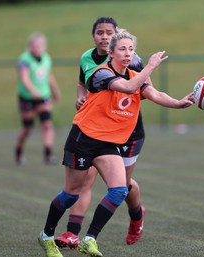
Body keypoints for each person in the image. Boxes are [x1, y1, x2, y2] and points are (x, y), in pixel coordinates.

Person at [38, 29, 194, 257]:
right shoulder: (101, 74)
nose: (128, 53)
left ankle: (89, 239)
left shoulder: (135, 76)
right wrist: (149, 67)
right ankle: (47, 236)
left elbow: (155, 93)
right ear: (110, 53)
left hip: (108, 142)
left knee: (120, 189)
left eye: (131, 49)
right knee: (72, 193)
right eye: (122, 49)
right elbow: (129, 88)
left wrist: (179, 103)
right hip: (84, 138)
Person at [54, 17, 147, 249]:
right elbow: (82, 83)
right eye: (99, 33)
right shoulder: (87, 58)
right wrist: (80, 96)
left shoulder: (132, 59)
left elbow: (143, 88)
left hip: (128, 130)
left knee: (123, 186)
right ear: (93, 35)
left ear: (117, 35)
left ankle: (136, 215)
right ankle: (72, 233)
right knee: (85, 179)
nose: (104, 37)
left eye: (109, 33)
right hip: (98, 129)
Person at [15, 32, 61, 165]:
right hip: (27, 97)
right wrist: (34, 92)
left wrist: (55, 91)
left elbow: (49, 76)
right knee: (27, 128)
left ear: (44, 47)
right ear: (30, 47)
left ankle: (48, 155)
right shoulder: (24, 60)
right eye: (35, 46)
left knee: (47, 124)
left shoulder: (47, 58)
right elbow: (24, 79)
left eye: (40, 46)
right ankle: (19, 151)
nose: (38, 48)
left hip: (43, 96)